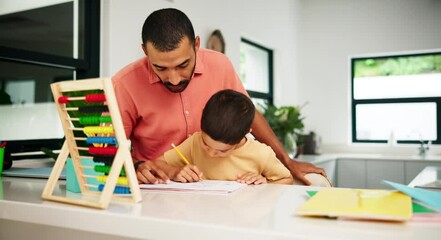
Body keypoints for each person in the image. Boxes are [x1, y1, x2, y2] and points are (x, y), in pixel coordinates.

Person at [112, 8, 325, 185]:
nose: (174, 79)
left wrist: (287, 161)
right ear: (144, 51)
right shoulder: (124, 84)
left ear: (196, 45)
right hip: (158, 185)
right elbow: (109, 147)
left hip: (215, 182)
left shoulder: (220, 65)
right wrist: (138, 166)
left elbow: (247, 113)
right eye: (160, 68)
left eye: (183, 65)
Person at [150, 89, 293, 185]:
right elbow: (157, 163)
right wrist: (174, 172)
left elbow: (287, 179)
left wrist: (264, 184)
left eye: (222, 151)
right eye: (206, 144)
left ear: (245, 134)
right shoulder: (195, 141)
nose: (211, 153)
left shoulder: (261, 153)